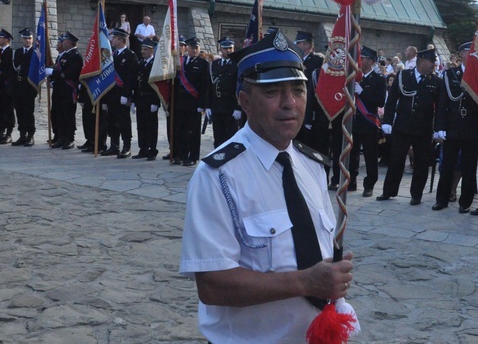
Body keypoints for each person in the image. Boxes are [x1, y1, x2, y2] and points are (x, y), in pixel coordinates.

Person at [179, 29, 357, 343]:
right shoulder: (218, 176)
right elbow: (212, 285)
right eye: (273, 92)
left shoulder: (312, 165)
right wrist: (306, 283)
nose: (289, 104)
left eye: (298, 91)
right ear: (245, 101)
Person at [377, 47, 441, 204]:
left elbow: (440, 108)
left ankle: (416, 194)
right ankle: (388, 191)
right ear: (422, 62)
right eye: (431, 63)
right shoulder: (404, 76)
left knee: (421, 163)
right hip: (402, 126)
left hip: (423, 128)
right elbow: (392, 99)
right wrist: (387, 122)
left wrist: (439, 129)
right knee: (396, 160)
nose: (434, 66)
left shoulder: (436, 81)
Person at [432, 42, 478, 213]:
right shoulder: (450, 74)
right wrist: (439, 126)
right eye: (467, 52)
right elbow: (442, 102)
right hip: (452, 125)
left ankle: (466, 201)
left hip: (472, 126)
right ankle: (442, 199)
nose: (471, 54)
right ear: (461, 55)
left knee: (469, 166)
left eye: (473, 52)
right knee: (447, 165)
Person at [349, 46, 386, 197]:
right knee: (352, 155)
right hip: (353, 122)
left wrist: (362, 92)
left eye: (362, 58)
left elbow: (380, 101)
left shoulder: (378, 79)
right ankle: (351, 181)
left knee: (370, 156)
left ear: (370, 61)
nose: (359, 60)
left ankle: (369, 185)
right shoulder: (354, 76)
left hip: (369, 123)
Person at [101, 29, 137, 158]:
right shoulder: (112, 55)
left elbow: (131, 78)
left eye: (115, 38)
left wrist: (126, 95)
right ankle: (114, 145)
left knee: (123, 122)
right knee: (111, 121)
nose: (112, 40)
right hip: (111, 94)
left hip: (122, 94)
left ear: (121, 40)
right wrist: (104, 99)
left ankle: (126, 146)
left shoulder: (130, 55)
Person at [173, 36, 208, 166]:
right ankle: (182, 154)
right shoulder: (180, 62)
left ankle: (193, 156)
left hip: (194, 102)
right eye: (192, 48)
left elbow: (205, 86)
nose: (194, 50)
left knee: (194, 131)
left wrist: (202, 104)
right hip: (181, 101)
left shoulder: (203, 64)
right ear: (186, 48)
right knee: (181, 129)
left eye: (196, 48)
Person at [47, 32, 83, 149]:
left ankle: (69, 138)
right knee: (58, 114)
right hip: (59, 89)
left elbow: (69, 73)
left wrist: (53, 73)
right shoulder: (63, 55)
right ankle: (61, 137)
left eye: (65, 41)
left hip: (68, 90)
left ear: (70, 42)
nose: (63, 42)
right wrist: (52, 78)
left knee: (68, 115)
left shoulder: (75, 55)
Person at [206, 37, 241, 147]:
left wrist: (238, 108)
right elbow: (209, 86)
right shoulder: (214, 64)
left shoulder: (237, 65)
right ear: (220, 49)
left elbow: (240, 87)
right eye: (225, 48)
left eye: (230, 48)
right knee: (218, 136)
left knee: (231, 136)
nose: (228, 51)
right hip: (217, 105)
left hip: (230, 106)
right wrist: (207, 106)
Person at [133, 38, 162, 160]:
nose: (143, 52)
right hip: (140, 98)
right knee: (141, 125)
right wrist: (134, 100)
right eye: (142, 49)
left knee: (151, 125)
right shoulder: (141, 63)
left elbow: (157, 85)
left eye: (145, 49)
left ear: (152, 51)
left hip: (150, 99)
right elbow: (136, 82)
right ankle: (143, 148)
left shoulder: (155, 65)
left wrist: (156, 102)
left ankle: (152, 149)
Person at [11, 29, 37, 147]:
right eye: (25, 38)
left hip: (29, 87)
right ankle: (22, 135)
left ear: (33, 39)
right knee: (19, 112)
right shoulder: (18, 52)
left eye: (30, 38)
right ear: (22, 39)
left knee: (28, 112)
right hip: (18, 86)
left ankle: (30, 135)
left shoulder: (35, 52)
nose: (27, 41)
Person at [0, 29, 15, 144]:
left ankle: (9, 133)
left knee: (8, 110)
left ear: (6, 40)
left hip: (6, 86)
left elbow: (10, 71)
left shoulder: (11, 52)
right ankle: (1, 132)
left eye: (0, 38)